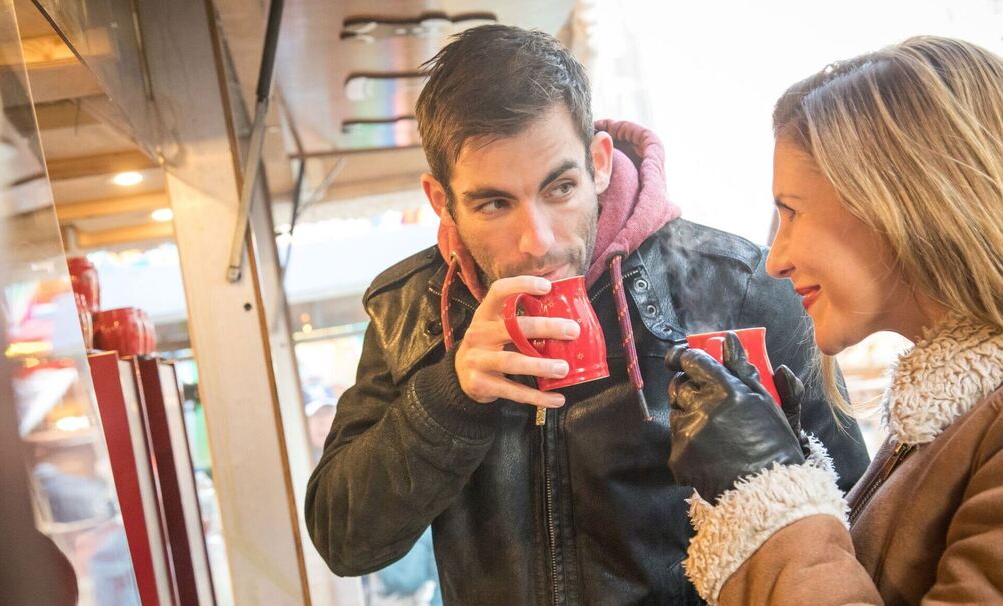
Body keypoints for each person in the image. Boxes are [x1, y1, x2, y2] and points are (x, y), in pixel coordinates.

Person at [305, 24, 869, 604]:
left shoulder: (740, 285)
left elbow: (856, 519)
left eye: (560, 188)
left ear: (599, 163)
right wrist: (449, 399)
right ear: (441, 201)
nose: (537, 241)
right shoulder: (410, 311)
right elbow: (344, 542)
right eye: (495, 203)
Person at [666, 36, 1003, 605]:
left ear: (898, 200)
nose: (776, 259)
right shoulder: (948, 420)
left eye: (791, 210)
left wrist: (768, 499)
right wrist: (788, 467)